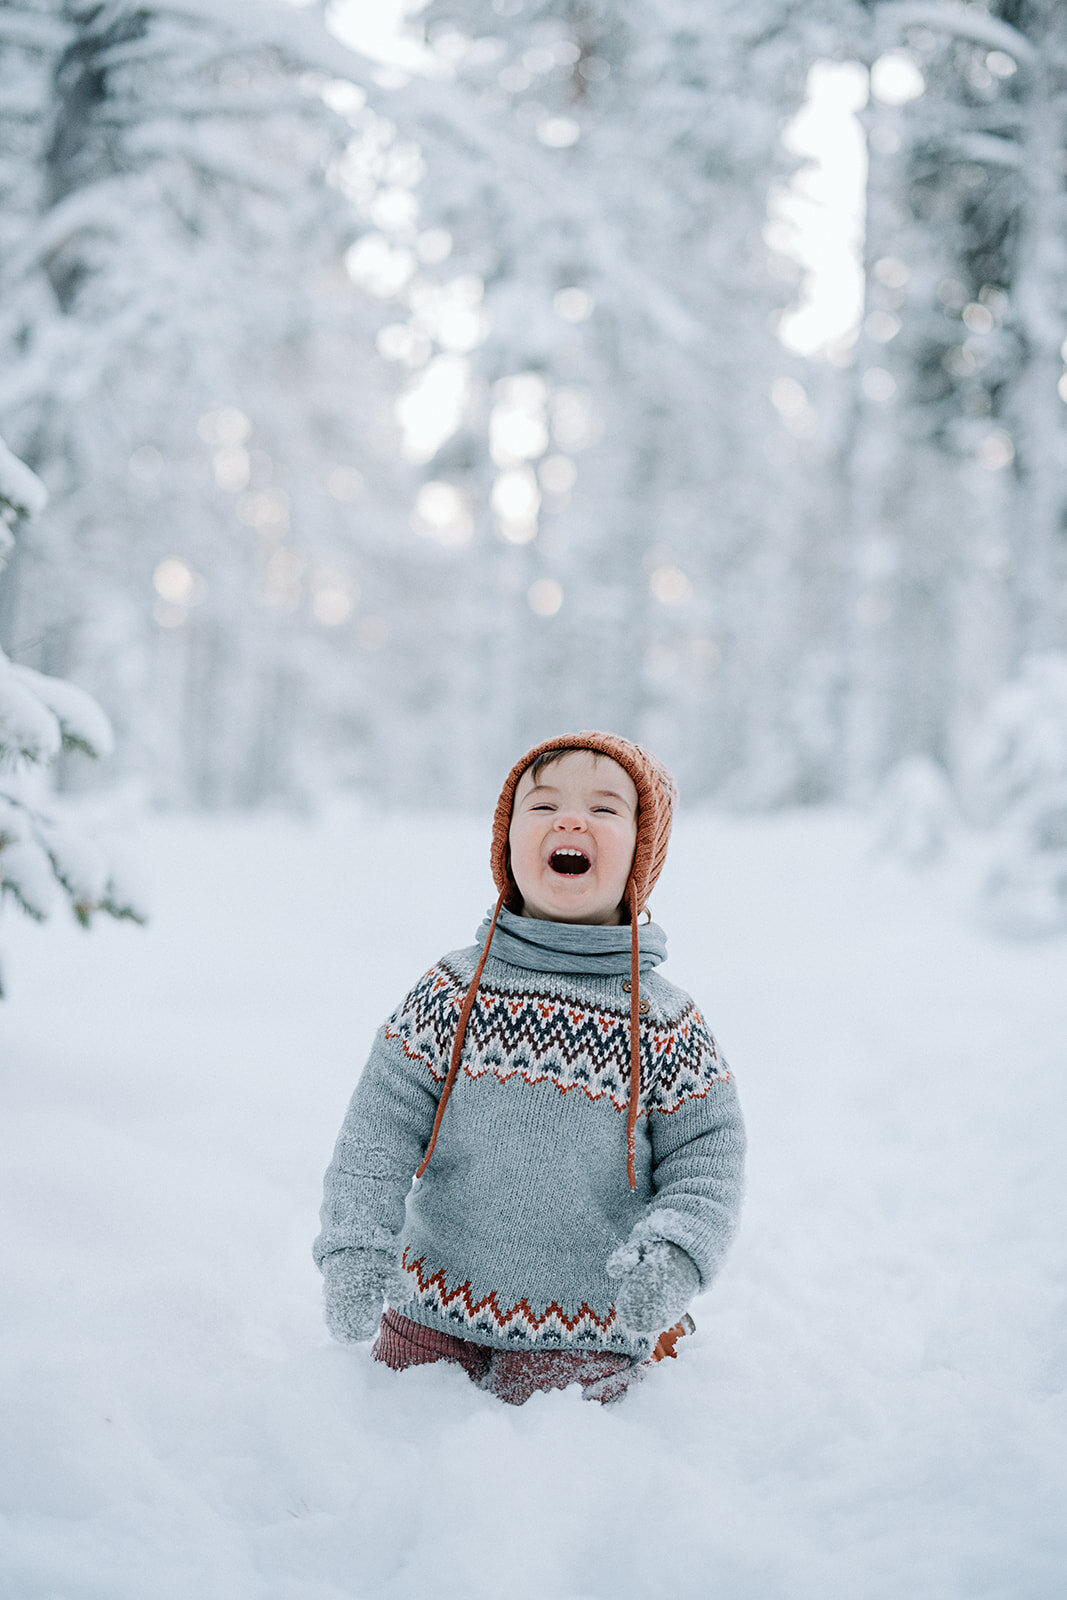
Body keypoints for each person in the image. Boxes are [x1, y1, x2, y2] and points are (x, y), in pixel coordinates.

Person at [313, 731, 746, 1405]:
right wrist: (355, 1249)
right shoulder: (451, 992)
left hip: (587, 1318)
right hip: (431, 1302)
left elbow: (707, 1157)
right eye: (542, 807)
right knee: (394, 1433)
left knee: (551, 1466)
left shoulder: (663, 1021)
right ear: (507, 843)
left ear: (642, 852)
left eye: (604, 810)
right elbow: (378, 1130)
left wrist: (676, 1256)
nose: (570, 820)